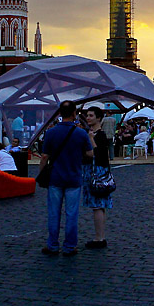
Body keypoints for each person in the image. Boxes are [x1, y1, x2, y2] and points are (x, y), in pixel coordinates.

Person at [40, 101, 93, 257]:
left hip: (55, 177)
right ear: (74, 113)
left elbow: (44, 157)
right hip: (74, 178)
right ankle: (70, 246)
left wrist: (42, 173)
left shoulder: (51, 133)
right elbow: (90, 154)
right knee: (71, 214)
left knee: (54, 213)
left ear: (60, 114)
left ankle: (52, 245)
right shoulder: (81, 133)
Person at [82, 106, 112, 249]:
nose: (88, 118)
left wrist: (90, 140)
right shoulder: (94, 133)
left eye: (91, 115)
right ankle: (100, 237)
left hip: (96, 173)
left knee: (97, 206)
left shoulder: (99, 135)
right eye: (87, 115)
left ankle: (99, 238)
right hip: (98, 172)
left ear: (98, 118)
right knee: (99, 206)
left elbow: (97, 154)